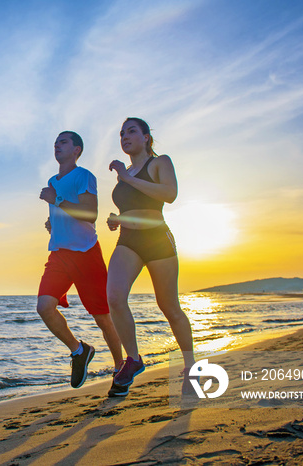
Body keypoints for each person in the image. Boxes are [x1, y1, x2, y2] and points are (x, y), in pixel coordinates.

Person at [106, 117, 195, 397]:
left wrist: (127, 177)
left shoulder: (159, 163)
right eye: (121, 133)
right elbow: (133, 204)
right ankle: (133, 359)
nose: (125, 136)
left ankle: (190, 367)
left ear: (146, 137)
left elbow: (169, 195)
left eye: (131, 131)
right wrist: (118, 219)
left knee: (168, 306)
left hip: (158, 239)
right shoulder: (128, 171)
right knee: (114, 297)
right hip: (128, 240)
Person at [38, 131, 124, 394]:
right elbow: (62, 214)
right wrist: (53, 223)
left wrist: (57, 200)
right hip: (59, 254)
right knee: (44, 307)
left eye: (63, 142)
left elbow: (89, 214)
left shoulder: (84, 176)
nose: (57, 145)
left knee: (102, 317)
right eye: (55, 142)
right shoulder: (53, 180)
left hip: (86, 253)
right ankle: (79, 350)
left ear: (77, 150)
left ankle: (120, 369)